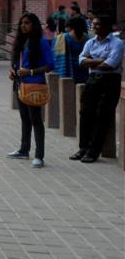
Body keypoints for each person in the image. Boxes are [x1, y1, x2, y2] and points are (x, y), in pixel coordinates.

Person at [72, 14, 124, 163]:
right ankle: (83, 148)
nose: (94, 27)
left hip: (110, 81)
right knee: (86, 113)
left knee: (102, 115)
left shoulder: (117, 43)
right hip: (92, 80)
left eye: (98, 25)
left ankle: (94, 151)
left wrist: (91, 61)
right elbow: (81, 61)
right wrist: (99, 60)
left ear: (108, 27)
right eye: (93, 25)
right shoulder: (90, 42)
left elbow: (110, 64)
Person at [7, 13, 54, 168]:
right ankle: (24, 149)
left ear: (34, 25)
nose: (23, 26)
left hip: (34, 85)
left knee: (36, 120)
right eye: (21, 23)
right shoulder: (21, 42)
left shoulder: (41, 42)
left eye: (27, 23)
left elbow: (50, 65)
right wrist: (14, 72)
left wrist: (31, 72)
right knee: (25, 119)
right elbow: (17, 63)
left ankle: (39, 155)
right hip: (21, 85)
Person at [53, 16, 89, 84]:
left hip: (67, 71)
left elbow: (54, 56)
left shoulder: (63, 37)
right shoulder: (87, 37)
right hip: (84, 70)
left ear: (70, 26)